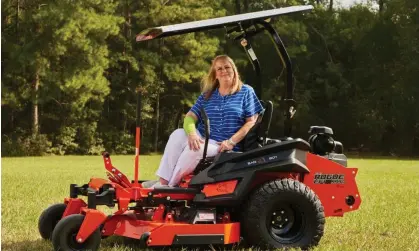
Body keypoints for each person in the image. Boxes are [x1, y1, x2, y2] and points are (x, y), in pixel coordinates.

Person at [146, 55, 264, 188]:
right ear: (215, 74)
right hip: (203, 137)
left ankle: (170, 187)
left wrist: (231, 141)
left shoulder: (246, 91)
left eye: (227, 67)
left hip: (224, 145)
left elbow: (251, 122)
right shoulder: (208, 95)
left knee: (195, 149)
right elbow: (190, 117)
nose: (224, 71)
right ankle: (162, 182)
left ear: (234, 70)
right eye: (219, 69)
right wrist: (192, 134)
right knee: (177, 135)